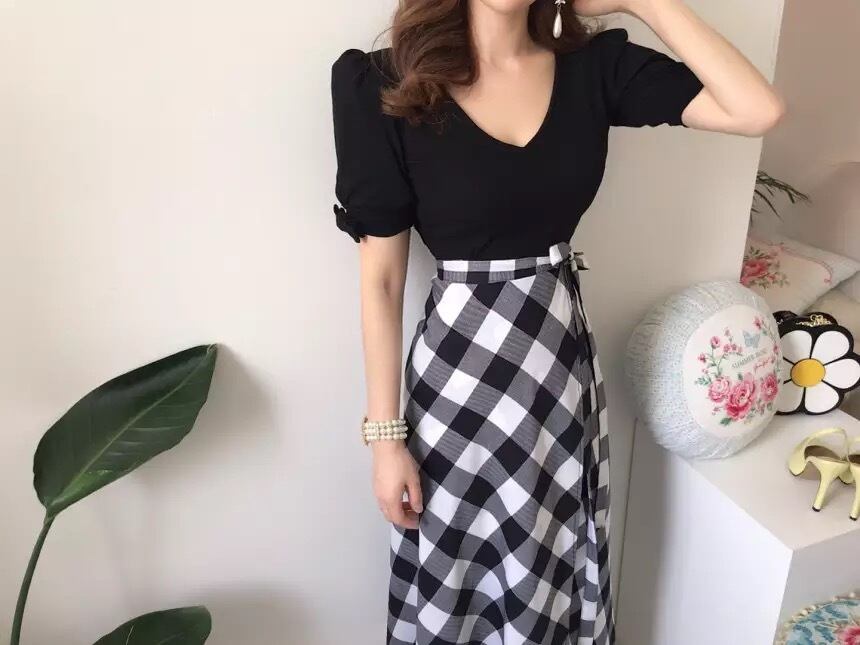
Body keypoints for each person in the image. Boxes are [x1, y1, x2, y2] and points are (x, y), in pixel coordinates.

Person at [329, 0, 784, 642]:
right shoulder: (384, 83)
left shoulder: (593, 68)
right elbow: (381, 279)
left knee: (550, 562)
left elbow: (756, 110)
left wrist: (642, 1)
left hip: (559, 374)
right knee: (458, 575)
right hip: (459, 385)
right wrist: (385, 438)